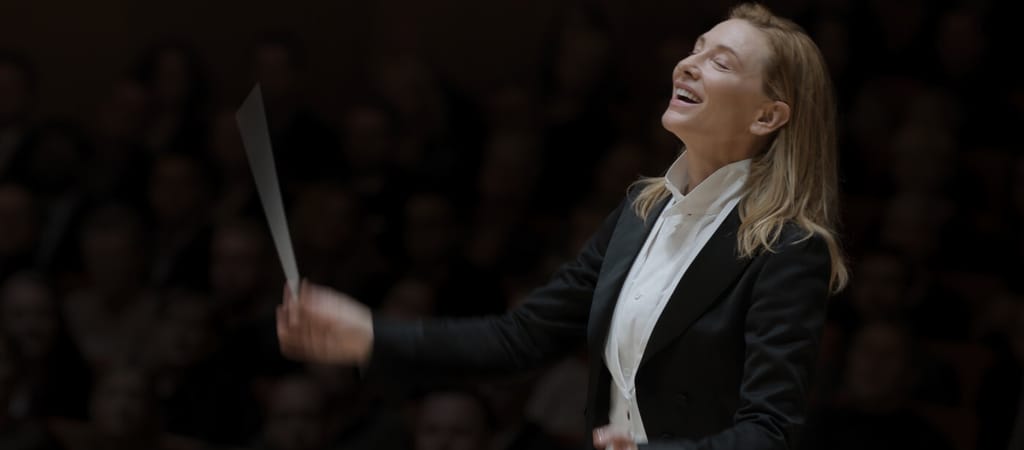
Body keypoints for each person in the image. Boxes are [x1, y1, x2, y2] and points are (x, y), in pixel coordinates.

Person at [276, 3, 849, 449]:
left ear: (767, 115)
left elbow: (770, 430)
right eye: (696, 49)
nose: (688, 64)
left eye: (720, 62)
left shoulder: (790, 246)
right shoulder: (641, 211)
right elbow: (521, 336)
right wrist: (371, 334)